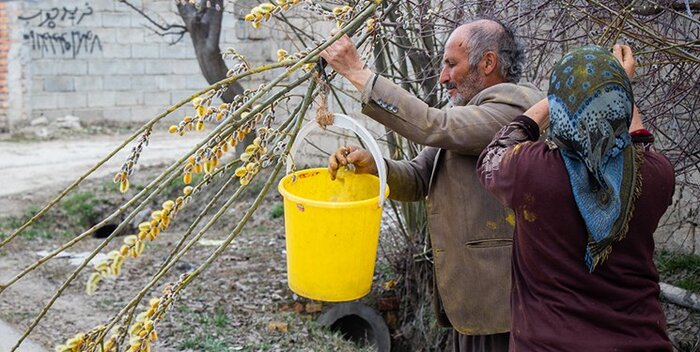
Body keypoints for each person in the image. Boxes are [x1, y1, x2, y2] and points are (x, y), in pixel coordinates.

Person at [321, 19, 543, 351]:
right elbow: (417, 179)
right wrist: (373, 166)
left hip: (508, 307)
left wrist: (358, 73)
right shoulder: (465, 116)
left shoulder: (517, 105)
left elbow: (434, 125)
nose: (443, 77)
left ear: (487, 63)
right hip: (473, 303)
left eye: (452, 64)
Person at [476, 45, 674, 351]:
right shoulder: (656, 175)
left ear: (558, 108)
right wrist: (618, 84)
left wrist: (554, 101)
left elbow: (496, 150)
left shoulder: (529, 170)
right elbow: (637, 142)